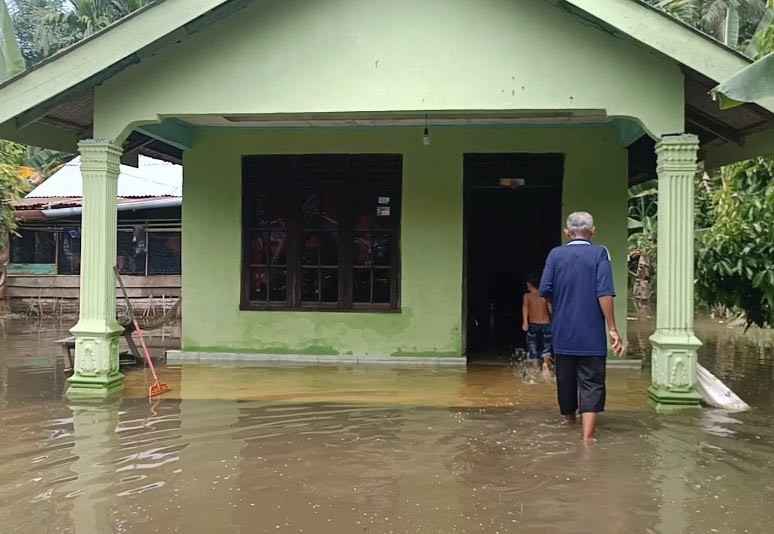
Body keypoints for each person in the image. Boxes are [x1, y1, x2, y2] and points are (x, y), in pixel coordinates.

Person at [539, 211, 624, 443]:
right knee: (592, 384)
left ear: (567, 232)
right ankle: (588, 439)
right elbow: (604, 293)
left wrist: (560, 312)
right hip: (591, 335)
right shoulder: (600, 253)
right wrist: (613, 328)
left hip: (562, 333)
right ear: (593, 231)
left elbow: (545, 291)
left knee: (565, 382)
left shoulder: (555, 254)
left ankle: (569, 425)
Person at [521, 273, 552, 374]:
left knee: (533, 348)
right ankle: (546, 364)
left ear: (529, 285)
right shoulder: (545, 295)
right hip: (546, 324)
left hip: (533, 325)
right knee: (546, 347)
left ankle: (535, 368)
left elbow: (525, 308)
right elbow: (551, 310)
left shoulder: (527, 296)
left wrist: (525, 322)